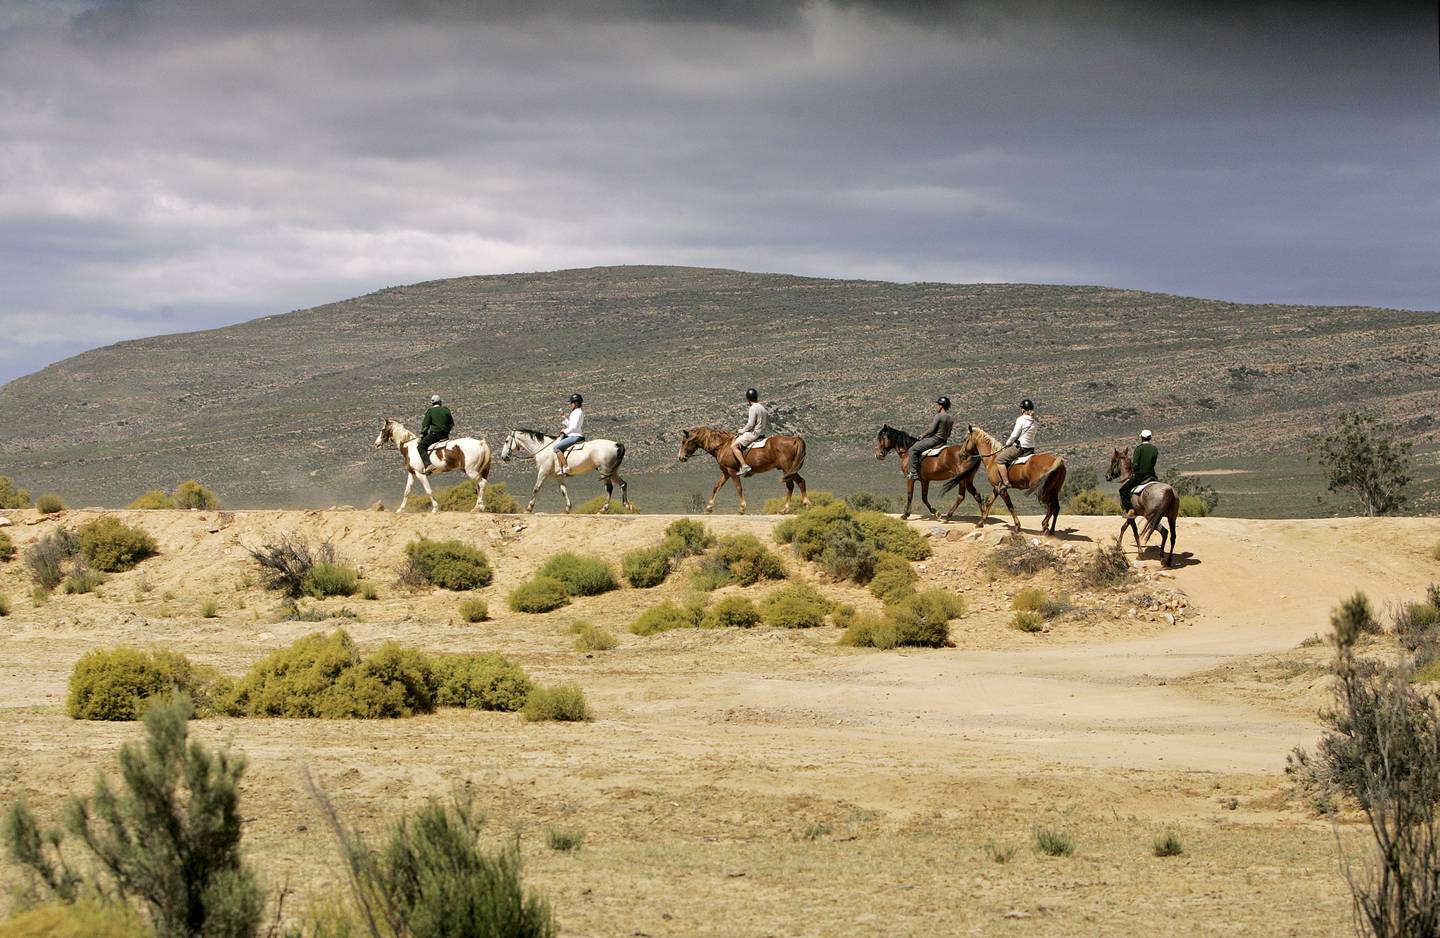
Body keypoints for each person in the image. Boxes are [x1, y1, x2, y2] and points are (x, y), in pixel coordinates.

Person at [995, 398, 1038, 491]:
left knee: (999, 459)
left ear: (1023, 409)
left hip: (1020, 448)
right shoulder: (1035, 421)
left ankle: (1006, 483)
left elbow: (1014, 435)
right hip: (1030, 449)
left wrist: (1007, 443)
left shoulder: (1021, 419)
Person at [907, 396, 954, 481]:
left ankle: (913, 473)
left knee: (912, 450)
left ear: (941, 406)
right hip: (944, 442)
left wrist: (923, 435)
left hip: (935, 440)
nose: (937, 407)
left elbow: (932, 429)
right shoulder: (950, 418)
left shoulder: (938, 416)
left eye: (938, 405)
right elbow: (949, 433)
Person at [1120, 429, 1159, 517]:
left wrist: (1133, 468)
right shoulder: (1154, 449)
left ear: (1141, 438)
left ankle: (1130, 510)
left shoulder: (1139, 448)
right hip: (1152, 475)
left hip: (1140, 476)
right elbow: (1153, 462)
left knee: (1123, 490)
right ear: (1150, 438)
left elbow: (1136, 465)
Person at [730, 388, 769, 476]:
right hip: (762, 434)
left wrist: (742, 430)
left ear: (748, 399)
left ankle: (744, 466)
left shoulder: (753, 408)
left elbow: (750, 424)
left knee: (734, 446)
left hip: (754, 434)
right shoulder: (762, 408)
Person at [417, 394, 453, 472]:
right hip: (445, 436)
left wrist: (422, 435)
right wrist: (447, 431)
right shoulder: (446, 410)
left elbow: (425, 426)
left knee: (421, 447)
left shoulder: (430, 411)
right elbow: (451, 424)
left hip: (435, 435)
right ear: (440, 402)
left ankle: (428, 465)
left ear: (432, 403)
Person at [555, 393, 585, 476]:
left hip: (575, 436)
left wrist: (565, 431)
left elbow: (574, 427)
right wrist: (564, 417)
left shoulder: (576, 412)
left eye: (571, 403)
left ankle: (566, 467)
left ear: (575, 403)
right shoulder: (578, 412)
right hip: (575, 434)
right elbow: (571, 425)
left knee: (556, 448)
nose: (570, 405)